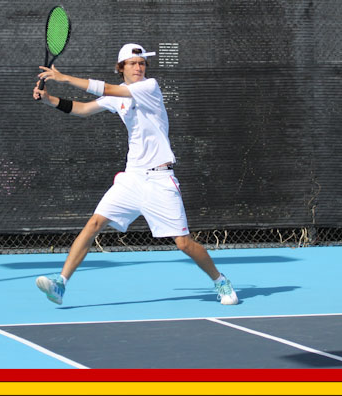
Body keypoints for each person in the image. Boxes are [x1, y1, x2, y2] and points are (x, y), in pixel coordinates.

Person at [28, 43, 238, 306]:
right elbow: (83, 109)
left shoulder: (149, 87)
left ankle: (220, 280)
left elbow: (106, 89)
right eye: (133, 63)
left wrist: (65, 78)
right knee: (94, 224)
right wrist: (50, 100)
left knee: (183, 243)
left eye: (142, 63)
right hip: (132, 178)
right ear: (122, 67)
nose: (139, 67)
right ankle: (61, 284)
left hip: (160, 179)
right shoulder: (117, 97)